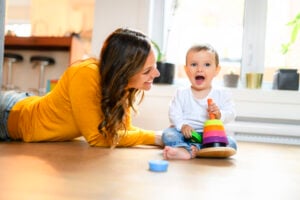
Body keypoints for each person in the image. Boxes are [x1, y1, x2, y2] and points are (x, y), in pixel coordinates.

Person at [0, 28, 163, 148]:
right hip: (10, 115)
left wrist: (159, 136)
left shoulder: (122, 85)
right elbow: (97, 138)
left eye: (154, 66)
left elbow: (123, 130)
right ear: (123, 71)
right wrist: (154, 138)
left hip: (24, 102)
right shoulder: (85, 74)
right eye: (147, 70)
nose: (156, 74)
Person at [162, 44, 237, 160]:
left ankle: (194, 149)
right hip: (185, 134)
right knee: (168, 134)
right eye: (193, 64)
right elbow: (174, 113)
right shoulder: (181, 93)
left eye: (207, 64)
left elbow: (231, 113)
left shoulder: (222, 93)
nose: (199, 69)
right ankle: (187, 149)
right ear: (186, 70)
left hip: (210, 136)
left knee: (231, 143)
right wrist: (182, 125)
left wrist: (220, 114)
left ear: (217, 70)